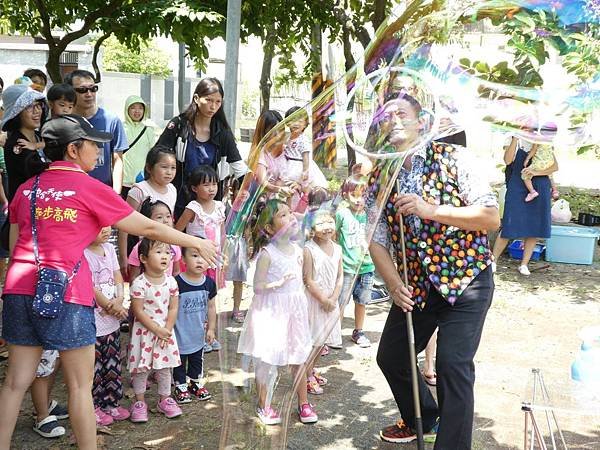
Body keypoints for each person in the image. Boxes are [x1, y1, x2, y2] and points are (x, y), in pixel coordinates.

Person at [0, 114, 217, 449]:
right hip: (67, 292)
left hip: (18, 289)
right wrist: (195, 242)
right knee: (79, 386)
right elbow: (145, 227)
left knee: (14, 383)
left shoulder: (27, 189)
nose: (100, 151)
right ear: (74, 149)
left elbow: (16, 246)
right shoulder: (89, 188)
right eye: (93, 144)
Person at [365, 91, 499, 447]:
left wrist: (431, 209)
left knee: (453, 365)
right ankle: (427, 416)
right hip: (418, 288)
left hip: (466, 280)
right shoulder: (380, 177)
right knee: (392, 356)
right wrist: (393, 283)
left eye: (401, 113)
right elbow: (376, 238)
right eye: (385, 116)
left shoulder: (454, 158)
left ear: (422, 122)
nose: (392, 120)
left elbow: (490, 217)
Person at [237, 199, 317, 425]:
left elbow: (303, 282)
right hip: (271, 311)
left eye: (290, 212)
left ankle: (303, 403)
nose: (291, 217)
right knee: (267, 358)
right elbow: (258, 287)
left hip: (294, 311)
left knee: (299, 356)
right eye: (282, 215)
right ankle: (264, 405)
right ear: (270, 228)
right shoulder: (267, 254)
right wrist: (277, 284)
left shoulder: (299, 251)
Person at [157, 77, 247, 214]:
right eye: (209, 100)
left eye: (218, 102)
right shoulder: (179, 125)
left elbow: (240, 168)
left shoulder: (223, 133)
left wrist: (256, 187)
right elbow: (157, 156)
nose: (213, 106)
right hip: (179, 201)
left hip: (209, 206)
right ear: (196, 98)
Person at [127, 238, 182, 422]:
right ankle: (139, 402)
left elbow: (173, 308)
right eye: (158, 252)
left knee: (164, 368)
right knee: (141, 369)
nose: (164, 256)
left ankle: (164, 399)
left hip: (164, 331)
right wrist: (156, 329)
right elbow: (137, 310)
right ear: (143, 258)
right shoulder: (139, 283)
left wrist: (166, 329)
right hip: (144, 332)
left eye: (167, 252)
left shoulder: (171, 282)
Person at [492, 136, 557, 275]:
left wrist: (536, 172)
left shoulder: (543, 141)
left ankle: (524, 264)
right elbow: (508, 161)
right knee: (510, 221)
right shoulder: (513, 138)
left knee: (535, 225)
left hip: (540, 184)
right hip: (517, 182)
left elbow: (554, 167)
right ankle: (493, 261)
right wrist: (515, 138)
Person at [84, 227, 129, 426]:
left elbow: (117, 274)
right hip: (93, 322)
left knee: (112, 364)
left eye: (107, 224)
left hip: (112, 321)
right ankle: (92, 406)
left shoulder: (109, 248)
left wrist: (119, 299)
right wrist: (110, 305)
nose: (106, 229)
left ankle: (111, 402)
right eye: (98, 225)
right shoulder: (82, 253)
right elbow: (90, 287)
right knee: (94, 367)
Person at [65, 69, 127, 193]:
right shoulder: (63, 122)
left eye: (93, 89)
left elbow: (118, 160)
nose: (89, 94)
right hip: (71, 192)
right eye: (82, 90)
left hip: (102, 192)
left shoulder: (111, 120)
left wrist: (116, 194)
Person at [118, 145, 177, 271]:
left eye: (173, 168)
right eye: (164, 167)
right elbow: (124, 225)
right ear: (149, 168)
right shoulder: (139, 190)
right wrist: (123, 257)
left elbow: (171, 221)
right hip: (143, 251)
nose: (169, 172)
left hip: (165, 251)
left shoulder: (172, 190)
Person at [303, 210, 343, 395]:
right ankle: (306, 375)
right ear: (312, 228)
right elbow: (308, 279)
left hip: (331, 302)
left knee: (323, 342)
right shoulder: (308, 249)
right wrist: (323, 299)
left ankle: (311, 370)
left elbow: (340, 276)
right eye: (321, 223)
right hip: (315, 302)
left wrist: (333, 298)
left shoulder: (338, 248)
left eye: (329, 222)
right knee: (313, 342)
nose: (327, 227)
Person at [172, 247, 217, 404]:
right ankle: (180, 386)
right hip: (179, 333)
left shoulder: (209, 284)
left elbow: (211, 307)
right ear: (183, 259)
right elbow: (171, 308)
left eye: (203, 256)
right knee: (179, 360)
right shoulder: (177, 283)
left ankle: (195, 383)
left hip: (197, 333)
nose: (199, 260)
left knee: (197, 359)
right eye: (194, 256)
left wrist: (211, 328)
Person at [336, 178, 375, 348]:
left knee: (362, 301)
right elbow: (335, 236)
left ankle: (358, 331)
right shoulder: (342, 214)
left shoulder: (370, 215)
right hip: (347, 268)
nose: (358, 199)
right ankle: (333, 334)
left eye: (362, 195)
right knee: (341, 302)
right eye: (354, 195)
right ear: (345, 195)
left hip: (367, 267)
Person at [175, 165, 226, 289]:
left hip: (214, 258)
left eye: (214, 184)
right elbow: (177, 231)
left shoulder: (219, 207)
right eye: (206, 185)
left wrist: (224, 253)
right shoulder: (193, 208)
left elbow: (222, 232)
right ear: (194, 188)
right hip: (196, 258)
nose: (211, 189)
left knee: (212, 291)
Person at [0, 84, 45, 202]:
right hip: (23, 211)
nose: (37, 111)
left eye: (38, 105)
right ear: (17, 113)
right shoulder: (16, 144)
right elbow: (38, 171)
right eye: (29, 106)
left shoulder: (40, 137)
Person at [128, 199, 182, 282]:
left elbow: (176, 271)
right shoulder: (140, 247)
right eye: (159, 217)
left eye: (168, 216)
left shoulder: (174, 246)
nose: (166, 220)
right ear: (147, 220)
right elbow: (134, 277)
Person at [282, 106, 327, 190]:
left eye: (300, 121)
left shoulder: (303, 139)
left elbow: (306, 155)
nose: (296, 124)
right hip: (288, 166)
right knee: (288, 188)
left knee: (297, 188)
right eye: (292, 120)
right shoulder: (288, 138)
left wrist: (305, 170)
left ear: (305, 124)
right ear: (287, 122)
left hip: (298, 167)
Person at [122, 95, 158, 199]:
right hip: (123, 181)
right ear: (127, 109)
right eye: (133, 107)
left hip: (143, 180)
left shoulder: (148, 130)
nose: (137, 111)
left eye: (140, 108)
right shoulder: (120, 128)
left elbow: (153, 155)